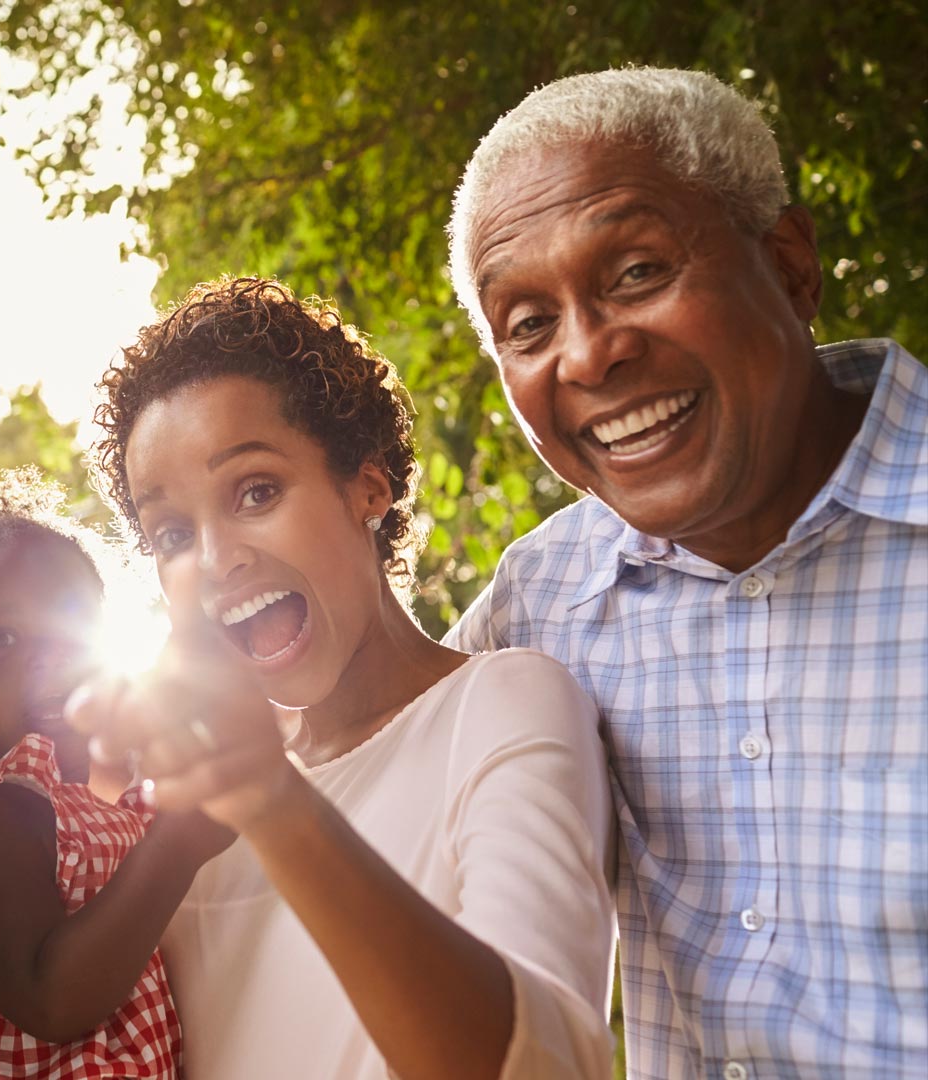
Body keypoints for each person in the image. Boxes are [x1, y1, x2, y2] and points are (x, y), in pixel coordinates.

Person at [440, 67, 928, 1078]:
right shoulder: (543, 598)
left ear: (790, 265)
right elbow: (352, 732)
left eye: (634, 273)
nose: (589, 355)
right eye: (528, 324)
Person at [67, 276, 618, 1080]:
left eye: (255, 491)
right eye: (173, 532)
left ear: (369, 486)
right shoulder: (177, 801)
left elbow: (550, 1063)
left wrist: (270, 800)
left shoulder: (501, 704)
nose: (219, 560)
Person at [0, 470, 231, 1079]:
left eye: (70, 622)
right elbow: (51, 1001)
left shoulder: (120, 804)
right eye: (1, 638)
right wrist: (181, 842)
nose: (48, 657)